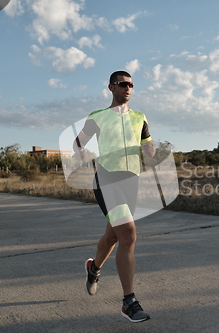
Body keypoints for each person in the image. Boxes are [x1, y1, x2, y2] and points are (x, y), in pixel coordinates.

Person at [73, 70, 155, 323]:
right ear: (111, 87)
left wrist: (151, 151)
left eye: (131, 84)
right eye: (122, 84)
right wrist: (81, 154)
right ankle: (128, 302)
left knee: (112, 236)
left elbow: (147, 145)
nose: (128, 88)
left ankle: (93, 268)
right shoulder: (97, 117)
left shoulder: (140, 118)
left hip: (131, 181)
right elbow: (79, 143)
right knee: (128, 235)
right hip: (107, 179)